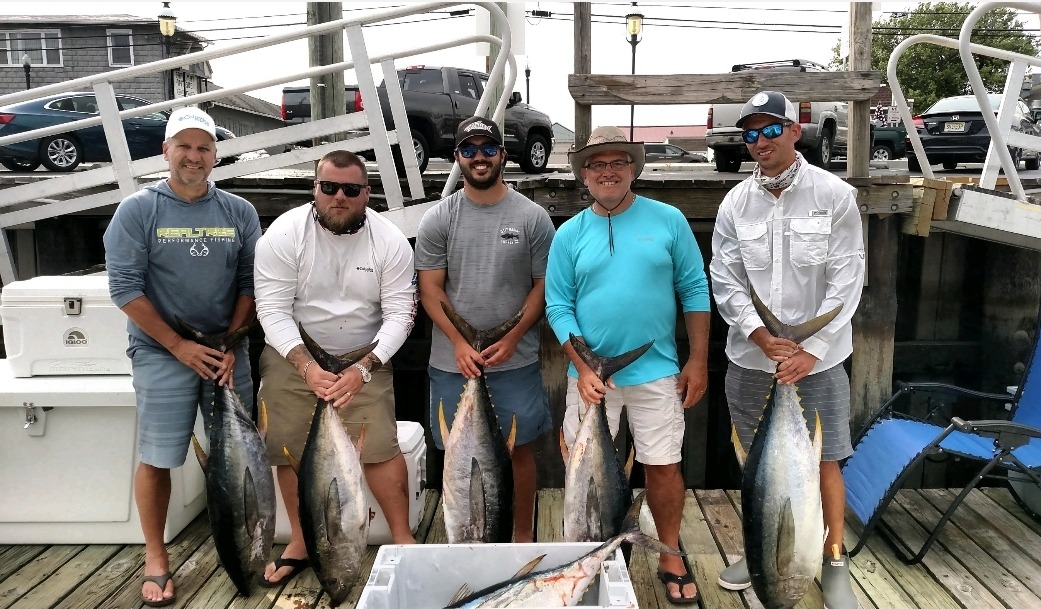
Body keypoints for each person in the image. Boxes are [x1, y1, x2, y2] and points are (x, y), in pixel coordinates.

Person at [709, 90, 864, 609]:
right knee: (757, 463)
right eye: (750, 133)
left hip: (817, 361)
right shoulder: (734, 202)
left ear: (796, 131)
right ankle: (761, 551)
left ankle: (834, 554)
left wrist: (812, 348)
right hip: (751, 358)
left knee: (827, 459)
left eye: (770, 129)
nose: (760, 141)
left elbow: (849, 278)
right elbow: (725, 278)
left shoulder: (835, 195)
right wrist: (758, 334)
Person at [544, 125, 710, 605]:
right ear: (583, 174)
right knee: (584, 471)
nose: (608, 172)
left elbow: (695, 290)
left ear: (633, 168)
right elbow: (558, 307)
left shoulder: (669, 220)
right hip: (588, 379)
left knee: (663, 465)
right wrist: (584, 367)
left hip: (656, 371)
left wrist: (697, 359)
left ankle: (670, 551)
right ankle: (584, 550)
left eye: (617, 162)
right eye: (597, 164)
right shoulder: (568, 234)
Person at [104, 106, 261, 607]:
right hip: (161, 352)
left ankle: (241, 543)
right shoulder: (138, 210)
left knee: (241, 458)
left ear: (216, 155)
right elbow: (124, 288)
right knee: (158, 457)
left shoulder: (239, 211)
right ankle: (156, 556)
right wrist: (177, 345)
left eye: (205, 148)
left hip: (225, 354)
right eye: (185, 147)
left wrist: (232, 342)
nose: (195, 156)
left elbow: (247, 283)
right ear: (165, 150)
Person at [253, 149, 418, 585]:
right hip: (295, 352)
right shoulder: (284, 235)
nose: (338, 197)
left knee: (380, 446)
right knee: (288, 445)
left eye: (350, 189)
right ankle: (303, 541)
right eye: (329, 187)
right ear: (315, 189)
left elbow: (401, 314)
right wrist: (307, 367)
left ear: (367, 193)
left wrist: (364, 368)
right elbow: (271, 311)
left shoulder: (390, 241)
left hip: (365, 352)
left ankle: (403, 537)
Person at [415, 116, 556, 543]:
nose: (479, 157)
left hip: (515, 361)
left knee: (520, 451)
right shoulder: (438, 218)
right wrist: (460, 343)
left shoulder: (533, 218)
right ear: (457, 157)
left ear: (503, 155)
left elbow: (542, 288)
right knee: (455, 455)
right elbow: (430, 290)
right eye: (470, 149)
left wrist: (512, 338)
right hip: (451, 362)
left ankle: (521, 536)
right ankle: (462, 535)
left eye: (488, 149)